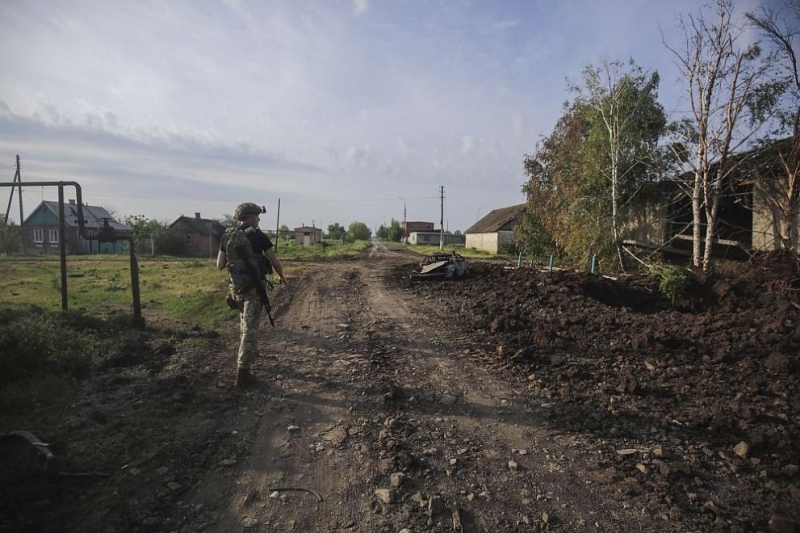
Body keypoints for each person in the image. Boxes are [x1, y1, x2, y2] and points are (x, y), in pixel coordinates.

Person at [216, 202, 287, 387]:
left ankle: (250, 352)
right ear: (250, 217)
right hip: (254, 289)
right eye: (257, 217)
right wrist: (282, 277)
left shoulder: (227, 235)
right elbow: (274, 261)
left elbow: (220, 265)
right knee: (251, 329)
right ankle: (243, 374)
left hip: (236, 289)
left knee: (244, 322)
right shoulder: (258, 235)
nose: (259, 220)